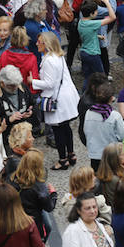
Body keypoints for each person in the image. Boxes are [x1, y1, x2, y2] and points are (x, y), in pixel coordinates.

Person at [31, 31, 81, 170]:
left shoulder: (48, 61)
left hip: (57, 100)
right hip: (66, 97)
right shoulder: (58, 57)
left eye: (39, 42)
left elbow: (49, 84)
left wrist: (33, 81)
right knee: (66, 128)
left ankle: (62, 159)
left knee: (58, 130)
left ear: (46, 44)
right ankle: (71, 154)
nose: (36, 44)